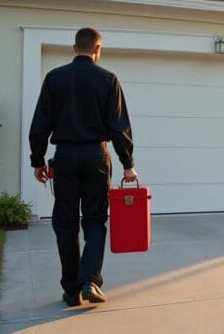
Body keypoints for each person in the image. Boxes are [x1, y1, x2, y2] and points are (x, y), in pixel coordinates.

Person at [29, 27, 137, 307]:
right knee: (94, 220)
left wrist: (38, 160)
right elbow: (119, 127)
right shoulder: (108, 79)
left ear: (75, 48)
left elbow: (40, 124)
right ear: (98, 50)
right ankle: (90, 279)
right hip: (96, 158)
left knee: (65, 223)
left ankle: (71, 289)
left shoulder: (54, 78)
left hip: (64, 157)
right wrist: (128, 164)